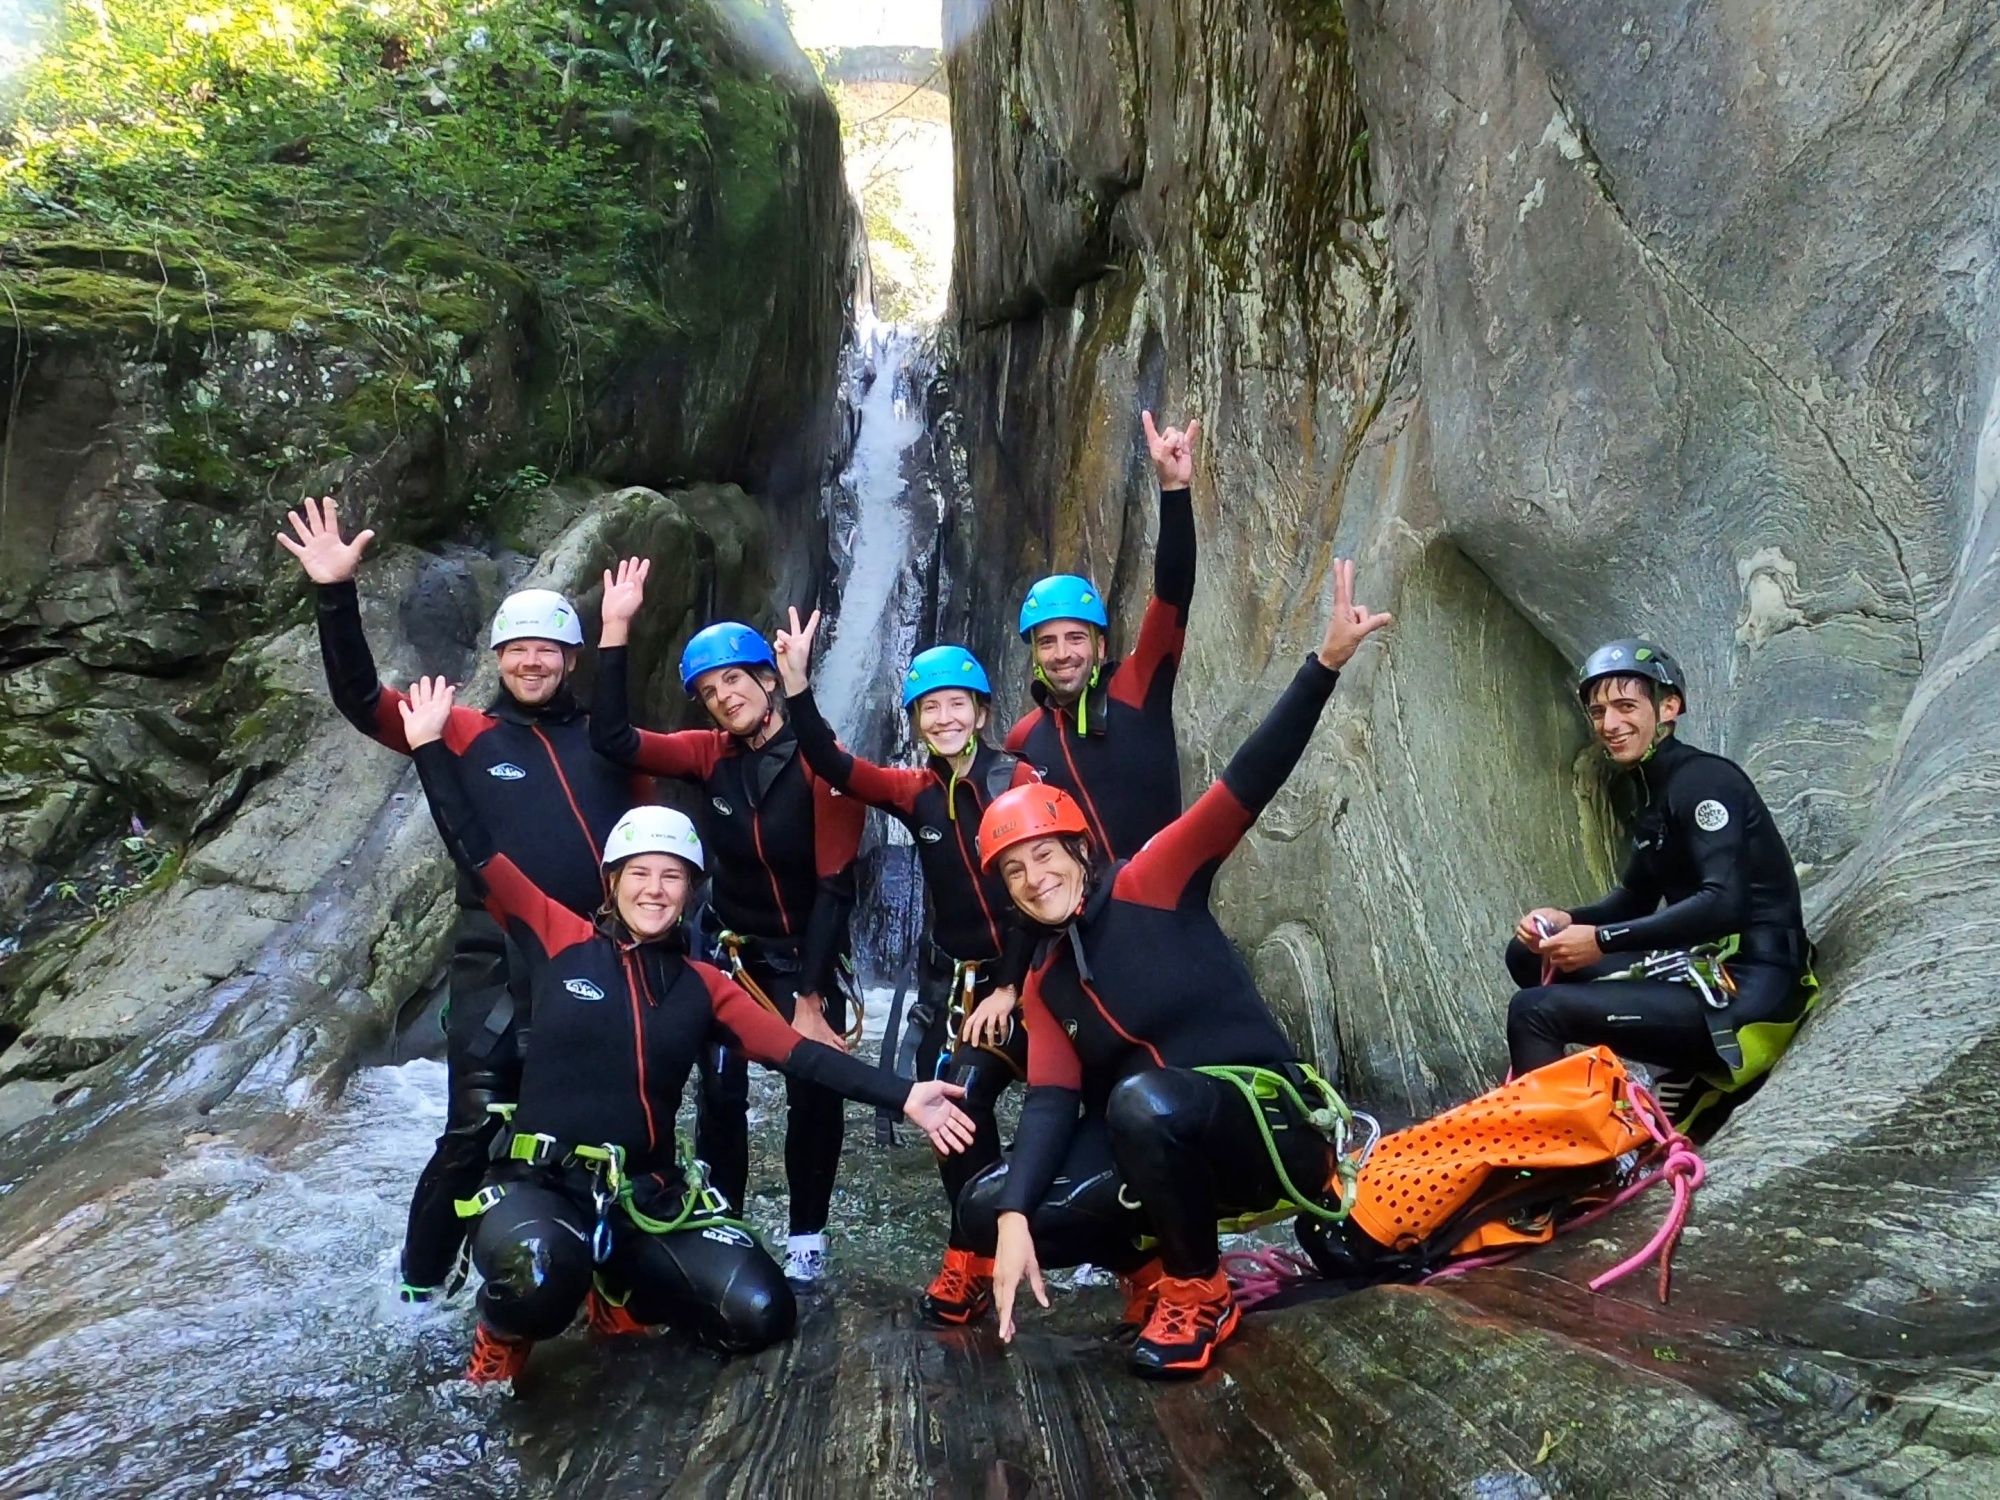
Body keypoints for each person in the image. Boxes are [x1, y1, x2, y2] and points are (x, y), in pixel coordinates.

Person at [394, 675, 974, 1385]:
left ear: (691, 890)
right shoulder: (557, 935)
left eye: (673, 878)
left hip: (649, 1198)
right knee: (541, 1275)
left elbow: (802, 1056)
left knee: (762, 1311)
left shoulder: (707, 987)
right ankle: (505, 1331)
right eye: (639, 874)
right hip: (543, 1184)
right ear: (611, 882)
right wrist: (428, 751)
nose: (655, 890)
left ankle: (621, 1289)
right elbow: (477, 851)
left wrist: (906, 1095)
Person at [964, 560, 1392, 1378]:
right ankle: (1155, 1268)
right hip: (1166, 1148)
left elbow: (1250, 779)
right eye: (1015, 873)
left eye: (1045, 858)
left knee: (1139, 1101)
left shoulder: (1154, 880)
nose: (1035, 878)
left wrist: (1325, 663)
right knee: (991, 1200)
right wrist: (1013, 1217)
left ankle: (1201, 1289)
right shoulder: (1049, 985)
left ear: (1079, 852)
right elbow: (1049, 1109)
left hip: (1270, 1133)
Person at [278, 496, 646, 1304]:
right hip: (496, 958)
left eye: (548, 649)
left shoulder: (612, 745)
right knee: (476, 1129)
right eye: (517, 650)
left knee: (600, 1128)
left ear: (572, 659)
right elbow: (359, 699)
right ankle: (417, 1287)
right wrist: (335, 593)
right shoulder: (465, 731)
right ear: (500, 659)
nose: (532, 662)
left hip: (603, 954)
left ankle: (595, 1279)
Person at [588, 560, 864, 1288]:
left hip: (806, 954)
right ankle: (724, 1223)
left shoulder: (820, 758)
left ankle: (807, 1235)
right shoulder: (708, 755)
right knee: (719, 1091)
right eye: (710, 692)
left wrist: (809, 1000)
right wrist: (615, 628)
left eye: (735, 680)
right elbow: (615, 740)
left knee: (816, 1087)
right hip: (729, 951)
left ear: (769, 680)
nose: (724, 697)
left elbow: (837, 884)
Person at [770, 611, 1040, 1326]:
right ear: (916, 720)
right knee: (951, 1112)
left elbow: (1033, 894)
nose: (945, 717)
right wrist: (796, 685)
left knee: (1071, 1097)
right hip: (952, 983)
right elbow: (833, 766)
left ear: (981, 712)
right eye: (931, 708)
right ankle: (973, 1254)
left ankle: (1133, 1255)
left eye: (958, 704)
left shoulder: (1014, 779)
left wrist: (1011, 983)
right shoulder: (915, 790)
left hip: (1029, 974)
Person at [1503, 640, 1816, 1125]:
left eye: (1626, 706)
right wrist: (1567, 920)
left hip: (1756, 987)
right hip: (1704, 971)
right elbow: (1635, 898)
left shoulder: (1705, 781)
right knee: (1529, 953)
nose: (1610, 725)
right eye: (1598, 711)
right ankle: (1663, 1073)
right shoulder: (1651, 790)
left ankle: (1561, 1160)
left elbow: (1724, 904)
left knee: (1535, 1011)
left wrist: (1602, 941)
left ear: (1669, 707)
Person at [1005, 412, 1199, 860]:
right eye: (1047, 642)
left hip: (1165, 909)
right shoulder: (1024, 741)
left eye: (1075, 638)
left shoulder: (1138, 688)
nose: (1062, 654)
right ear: (1034, 654)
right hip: (1088, 923)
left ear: (1101, 646)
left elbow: (1174, 594)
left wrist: (1174, 492)